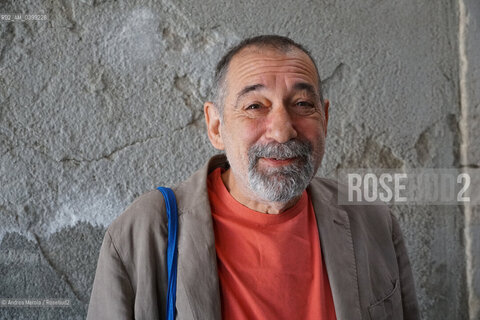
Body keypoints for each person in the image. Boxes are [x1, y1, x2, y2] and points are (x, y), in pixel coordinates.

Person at [87, 35, 420, 320]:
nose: (282, 129)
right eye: (255, 106)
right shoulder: (145, 231)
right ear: (216, 126)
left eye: (303, 103)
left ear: (325, 118)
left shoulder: (372, 221)